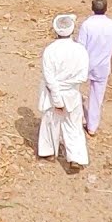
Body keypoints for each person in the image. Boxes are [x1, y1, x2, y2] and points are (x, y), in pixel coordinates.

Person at [37, 14, 89, 170]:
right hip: (72, 94)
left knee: (50, 122)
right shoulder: (80, 50)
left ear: (55, 30)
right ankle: (76, 158)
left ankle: (48, 152)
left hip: (53, 94)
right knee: (73, 125)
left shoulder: (50, 51)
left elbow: (49, 78)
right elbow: (83, 76)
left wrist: (57, 100)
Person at [76, 0, 112, 138]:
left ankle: (78, 117)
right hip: (103, 65)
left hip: (86, 63)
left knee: (74, 89)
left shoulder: (87, 25)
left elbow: (80, 46)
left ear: (92, 8)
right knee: (97, 96)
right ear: (106, 9)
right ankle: (92, 126)